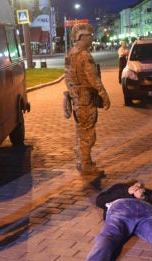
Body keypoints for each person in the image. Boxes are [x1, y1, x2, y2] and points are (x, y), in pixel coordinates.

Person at [64, 23, 111, 176]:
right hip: (85, 99)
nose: (92, 38)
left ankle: (82, 161)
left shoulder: (70, 53)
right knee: (88, 132)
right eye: (90, 35)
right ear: (81, 37)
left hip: (77, 98)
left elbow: (68, 78)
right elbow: (93, 78)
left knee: (80, 131)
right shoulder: (84, 54)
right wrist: (104, 95)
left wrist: (73, 94)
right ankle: (86, 164)